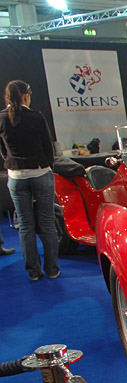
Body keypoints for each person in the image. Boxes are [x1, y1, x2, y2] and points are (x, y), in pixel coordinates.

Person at [0, 80, 59, 280]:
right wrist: (46, 165)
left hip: (16, 177)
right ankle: (52, 269)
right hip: (40, 173)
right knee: (47, 223)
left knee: (25, 225)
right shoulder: (36, 117)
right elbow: (48, 148)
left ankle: (33, 272)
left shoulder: (1, 118)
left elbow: (2, 150)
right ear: (26, 96)